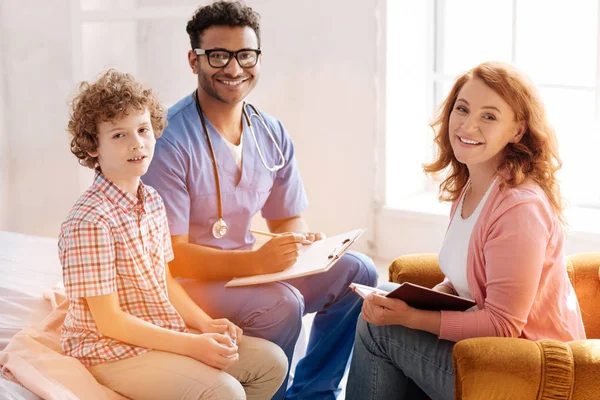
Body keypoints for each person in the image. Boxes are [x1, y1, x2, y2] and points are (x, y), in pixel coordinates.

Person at [142, 1, 378, 399]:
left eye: (245, 55)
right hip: (190, 284)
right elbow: (171, 257)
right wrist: (254, 262)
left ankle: (314, 392)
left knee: (359, 273)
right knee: (281, 304)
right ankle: (274, 394)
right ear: (193, 59)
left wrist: (301, 248)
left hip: (250, 271)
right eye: (218, 55)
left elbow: (287, 219)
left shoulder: (270, 131)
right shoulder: (167, 139)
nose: (233, 69)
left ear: (258, 58)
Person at [346, 61, 587, 400]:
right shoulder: (474, 185)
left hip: (526, 372)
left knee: (379, 331)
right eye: (462, 109)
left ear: (517, 131)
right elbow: (468, 283)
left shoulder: (520, 207)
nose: (468, 125)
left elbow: (503, 326)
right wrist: (413, 300)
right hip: (489, 353)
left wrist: (413, 316)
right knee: (383, 295)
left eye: (489, 116)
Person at [60, 69, 288, 400]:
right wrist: (192, 344)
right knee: (225, 392)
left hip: (155, 327)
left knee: (272, 363)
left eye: (142, 129)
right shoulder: (90, 221)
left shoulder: (151, 199)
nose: (137, 143)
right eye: (119, 136)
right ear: (93, 147)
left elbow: (163, 279)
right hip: (107, 350)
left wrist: (205, 324)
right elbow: (109, 322)